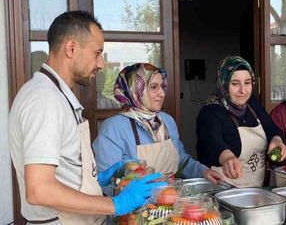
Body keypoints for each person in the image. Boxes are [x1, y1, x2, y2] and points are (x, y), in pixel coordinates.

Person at [8, 11, 165, 224]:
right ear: (71, 48)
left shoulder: (54, 94)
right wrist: (115, 204)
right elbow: (39, 189)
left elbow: (61, 172)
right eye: (97, 52)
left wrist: (93, 179)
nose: (101, 63)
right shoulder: (44, 99)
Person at [93, 63, 222, 184]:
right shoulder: (114, 127)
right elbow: (107, 181)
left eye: (162, 86)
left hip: (170, 199)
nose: (162, 93)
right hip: (137, 206)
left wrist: (203, 171)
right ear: (135, 90)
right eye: (153, 87)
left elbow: (181, 160)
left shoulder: (167, 121)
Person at [196, 56, 286, 187]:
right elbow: (211, 141)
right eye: (235, 84)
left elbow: (271, 128)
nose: (243, 90)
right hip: (221, 193)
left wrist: (277, 139)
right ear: (223, 83)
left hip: (255, 192)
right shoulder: (210, 112)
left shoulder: (252, 105)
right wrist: (226, 157)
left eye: (247, 82)